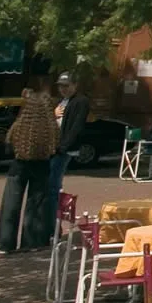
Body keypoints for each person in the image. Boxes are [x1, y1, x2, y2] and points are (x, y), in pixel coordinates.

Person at [0, 74, 59, 254]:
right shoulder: (51, 127)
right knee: (36, 204)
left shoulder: (20, 125)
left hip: (20, 164)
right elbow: (55, 146)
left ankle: (6, 244)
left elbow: (9, 143)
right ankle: (31, 242)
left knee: (11, 202)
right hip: (42, 164)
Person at [51, 73, 88, 204]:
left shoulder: (80, 101)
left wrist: (64, 146)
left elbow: (77, 126)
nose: (63, 89)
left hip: (64, 148)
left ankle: (54, 208)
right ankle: (54, 206)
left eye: (66, 86)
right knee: (51, 178)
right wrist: (53, 114)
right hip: (53, 146)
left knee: (53, 180)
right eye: (60, 86)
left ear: (75, 85)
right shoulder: (60, 101)